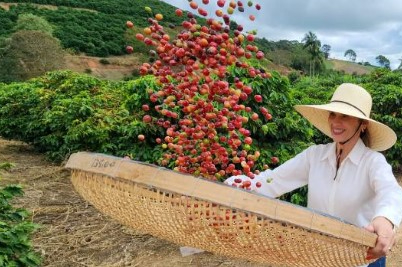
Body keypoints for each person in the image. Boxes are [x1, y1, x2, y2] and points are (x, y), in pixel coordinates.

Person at [225, 83, 402, 267]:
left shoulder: (372, 162)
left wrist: (385, 219)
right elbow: (273, 180)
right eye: (333, 114)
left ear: (363, 124)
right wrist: (233, 185)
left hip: (360, 261)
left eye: (345, 116)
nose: (335, 121)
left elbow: (391, 191)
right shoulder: (315, 156)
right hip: (320, 258)